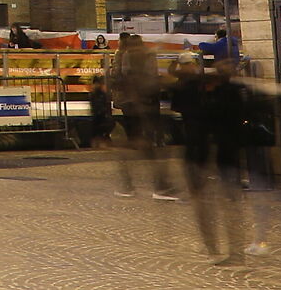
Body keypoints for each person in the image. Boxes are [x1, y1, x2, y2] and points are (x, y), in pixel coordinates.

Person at [172, 56, 253, 266]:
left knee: (227, 205)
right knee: (209, 205)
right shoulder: (192, 90)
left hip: (220, 156)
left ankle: (231, 251)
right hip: (204, 155)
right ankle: (216, 248)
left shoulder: (231, 93)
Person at [108, 32, 177, 200]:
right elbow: (147, 78)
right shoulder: (142, 56)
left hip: (133, 104)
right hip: (140, 104)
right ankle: (157, 186)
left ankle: (132, 185)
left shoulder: (125, 56)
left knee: (137, 143)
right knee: (141, 144)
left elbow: (119, 77)